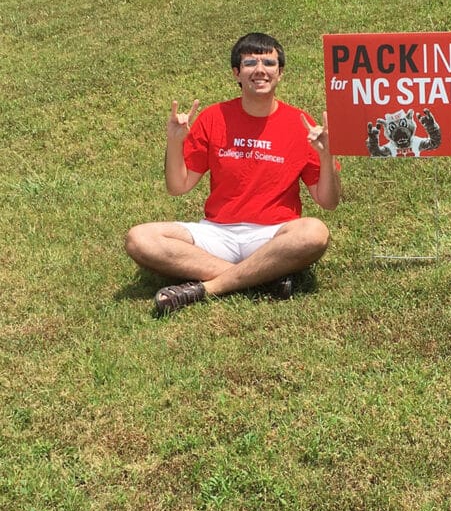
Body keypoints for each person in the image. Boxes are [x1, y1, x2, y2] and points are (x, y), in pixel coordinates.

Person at [125, 33, 341, 315]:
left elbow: (328, 201)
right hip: (217, 234)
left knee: (314, 232)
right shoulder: (214, 117)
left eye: (269, 63)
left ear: (280, 73)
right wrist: (175, 142)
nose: (260, 70)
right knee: (139, 238)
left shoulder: (299, 123)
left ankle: (209, 288)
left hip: (273, 236)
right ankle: (262, 279)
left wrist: (327, 155)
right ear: (237, 74)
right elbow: (178, 186)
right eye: (250, 62)